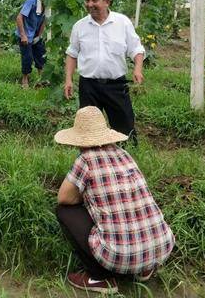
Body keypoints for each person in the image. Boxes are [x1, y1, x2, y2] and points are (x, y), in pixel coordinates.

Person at [55, 106, 175, 294]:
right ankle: (143, 269)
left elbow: (64, 197)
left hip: (118, 255)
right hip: (159, 247)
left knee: (64, 210)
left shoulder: (86, 159)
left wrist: (84, 197)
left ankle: (99, 277)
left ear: (78, 140)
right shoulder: (124, 154)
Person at [64, 0, 145, 145]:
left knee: (125, 128)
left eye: (95, 0)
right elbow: (72, 54)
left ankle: (125, 162)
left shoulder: (122, 23)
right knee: (88, 131)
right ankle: (93, 163)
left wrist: (137, 69)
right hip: (89, 86)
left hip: (116, 85)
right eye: (87, 0)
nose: (90, 4)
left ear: (107, 1)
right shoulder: (80, 26)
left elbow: (136, 49)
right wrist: (68, 79)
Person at [15, 0, 51, 89]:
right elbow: (19, 17)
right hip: (25, 34)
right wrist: (23, 35)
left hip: (35, 34)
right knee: (28, 57)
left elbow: (44, 21)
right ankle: (25, 79)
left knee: (41, 55)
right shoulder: (32, 1)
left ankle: (42, 78)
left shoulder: (47, 5)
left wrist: (39, 36)